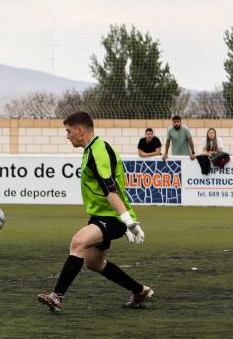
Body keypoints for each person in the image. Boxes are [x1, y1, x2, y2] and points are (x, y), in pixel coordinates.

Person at [38, 111, 152, 313]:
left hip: (113, 216)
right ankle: (139, 290)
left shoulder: (98, 151)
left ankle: (57, 297)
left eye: (68, 131)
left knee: (78, 242)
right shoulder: (93, 149)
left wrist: (128, 222)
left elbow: (110, 189)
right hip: (103, 215)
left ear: (80, 130)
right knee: (94, 262)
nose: (67, 136)